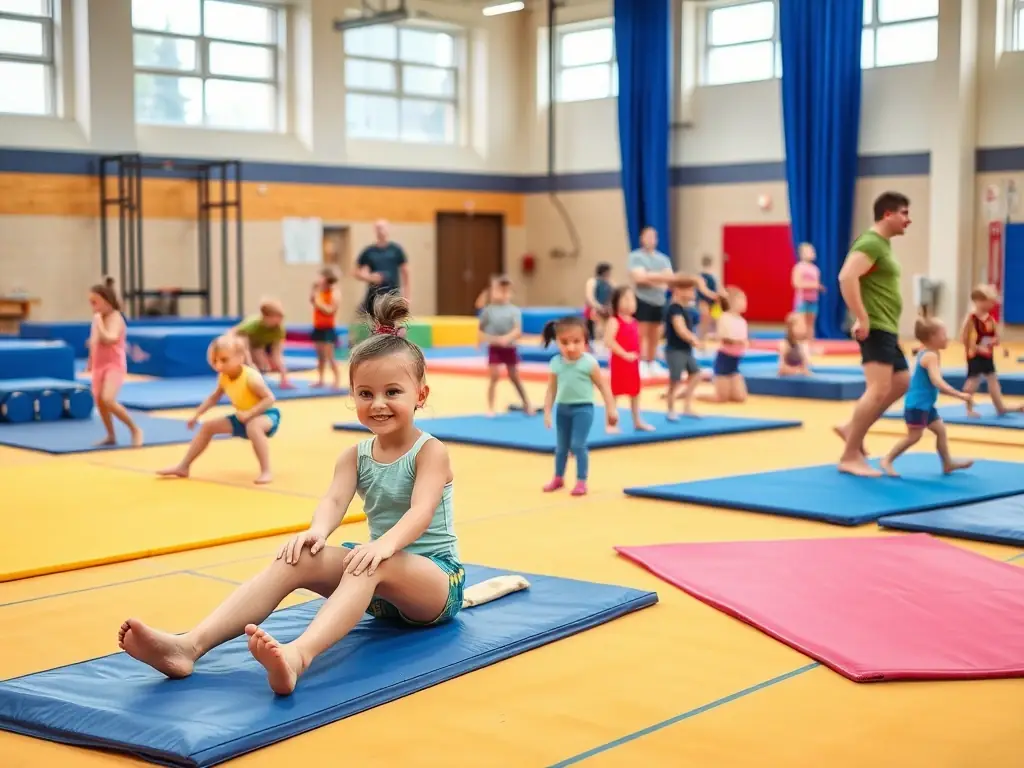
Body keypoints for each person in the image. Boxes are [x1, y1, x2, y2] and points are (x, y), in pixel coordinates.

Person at [127, 295, 463, 696]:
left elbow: (421, 512)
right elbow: (334, 502)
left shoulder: (430, 451)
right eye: (365, 394)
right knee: (299, 555)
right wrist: (317, 532)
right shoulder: (353, 456)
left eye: (393, 392)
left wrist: (384, 545)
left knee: (370, 561)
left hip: (435, 584)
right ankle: (188, 645)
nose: (378, 405)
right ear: (352, 394)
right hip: (377, 584)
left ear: (420, 396)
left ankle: (297, 656)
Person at [834, 191, 912, 478]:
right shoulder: (871, 242)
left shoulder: (883, 245)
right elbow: (846, 276)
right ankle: (849, 455)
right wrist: (862, 317)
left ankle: (850, 429)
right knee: (878, 389)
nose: (909, 219)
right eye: (904, 213)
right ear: (888, 214)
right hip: (876, 326)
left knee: (901, 382)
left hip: (886, 327)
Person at [158, 334, 280, 484]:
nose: (219, 366)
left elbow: (269, 399)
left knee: (254, 427)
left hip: (265, 415)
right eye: (215, 361)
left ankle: (266, 470)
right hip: (243, 416)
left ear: (240, 358)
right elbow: (213, 398)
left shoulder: (251, 378)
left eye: (224, 360)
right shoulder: (224, 377)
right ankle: (183, 466)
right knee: (208, 427)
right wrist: (197, 414)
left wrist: (251, 413)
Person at [880, 317, 974, 477]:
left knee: (940, 431)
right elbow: (937, 381)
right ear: (932, 338)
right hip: (917, 405)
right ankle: (887, 459)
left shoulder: (929, 351)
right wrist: (960, 395)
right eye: (943, 335)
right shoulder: (930, 356)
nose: (948, 338)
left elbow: (920, 348)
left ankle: (947, 463)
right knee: (914, 437)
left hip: (926, 405)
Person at [541, 316, 619, 496]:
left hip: (583, 409)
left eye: (576, 342)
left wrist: (611, 408)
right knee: (561, 447)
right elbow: (551, 390)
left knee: (578, 444)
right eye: (564, 342)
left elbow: (603, 387)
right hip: (562, 409)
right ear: (557, 342)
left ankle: (581, 481)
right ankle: (558, 477)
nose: (571, 347)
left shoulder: (589, 363)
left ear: (585, 341)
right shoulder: (555, 363)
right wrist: (547, 412)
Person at [87, 277, 143, 447]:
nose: (92, 306)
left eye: (95, 302)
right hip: (99, 365)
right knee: (99, 400)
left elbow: (110, 338)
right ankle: (111, 435)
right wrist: (90, 362)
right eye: (91, 302)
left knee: (108, 399)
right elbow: (94, 342)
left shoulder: (115, 317)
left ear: (106, 301)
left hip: (114, 365)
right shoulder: (98, 318)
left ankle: (135, 429)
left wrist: (99, 324)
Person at [960, 284, 1023, 418]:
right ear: (979, 301)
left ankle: (1000, 407)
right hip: (975, 355)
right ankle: (968, 408)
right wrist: (976, 348)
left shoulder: (990, 319)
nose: (993, 305)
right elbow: (964, 338)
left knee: (993, 381)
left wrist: (995, 341)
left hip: (987, 355)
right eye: (990, 302)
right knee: (972, 383)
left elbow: (996, 336)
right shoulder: (971, 318)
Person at [478, 275, 532, 416]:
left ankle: (527, 403)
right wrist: (483, 340)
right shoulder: (488, 310)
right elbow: (480, 328)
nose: (502, 294)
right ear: (493, 291)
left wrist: (506, 339)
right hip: (494, 347)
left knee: (514, 376)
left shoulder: (513, 310)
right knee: (494, 376)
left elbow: (518, 330)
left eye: (506, 291)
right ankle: (490, 407)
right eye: (499, 290)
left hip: (509, 347)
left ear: (510, 293)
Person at [603, 286, 654, 431]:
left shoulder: (634, 321)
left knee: (635, 392)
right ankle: (610, 423)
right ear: (616, 302)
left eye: (632, 299)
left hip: (633, 363)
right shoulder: (615, 321)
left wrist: (641, 354)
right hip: (620, 362)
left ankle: (637, 420)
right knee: (615, 394)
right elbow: (609, 341)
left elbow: (636, 340)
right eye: (625, 299)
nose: (629, 303)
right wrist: (624, 354)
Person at [627, 227, 675, 378]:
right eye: (647, 237)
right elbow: (639, 278)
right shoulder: (635, 257)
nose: (650, 240)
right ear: (641, 238)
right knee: (642, 332)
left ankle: (651, 361)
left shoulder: (663, 259)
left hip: (659, 300)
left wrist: (650, 276)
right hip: (642, 298)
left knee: (655, 333)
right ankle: (640, 362)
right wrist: (659, 277)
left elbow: (670, 279)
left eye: (653, 237)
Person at [698, 287, 749, 404]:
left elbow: (743, 340)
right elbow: (723, 338)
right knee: (721, 399)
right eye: (742, 300)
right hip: (724, 361)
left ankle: (725, 386)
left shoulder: (742, 321)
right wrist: (738, 342)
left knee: (740, 397)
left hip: (734, 363)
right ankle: (696, 394)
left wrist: (743, 342)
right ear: (731, 302)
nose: (745, 303)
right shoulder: (725, 317)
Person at [231, 299, 294, 390]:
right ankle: (247, 378)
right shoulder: (253, 324)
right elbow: (233, 332)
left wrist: (284, 378)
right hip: (244, 342)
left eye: (281, 317)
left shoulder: (279, 329)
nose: (279, 321)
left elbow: (277, 354)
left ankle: (254, 377)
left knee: (264, 366)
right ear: (265, 317)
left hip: (258, 345)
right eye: (276, 317)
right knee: (245, 347)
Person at [663, 277, 703, 419]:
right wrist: (693, 339)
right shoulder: (675, 309)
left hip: (685, 350)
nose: (694, 293)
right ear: (678, 291)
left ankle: (687, 406)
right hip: (675, 350)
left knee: (696, 374)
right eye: (691, 290)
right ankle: (671, 408)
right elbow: (680, 329)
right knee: (675, 380)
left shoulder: (686, 309)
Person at [354, 219, 409, 314]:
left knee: (391, 321)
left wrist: (407, 296)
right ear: (375, 230)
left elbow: (406, 273)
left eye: (383, 227)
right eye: (378, 228)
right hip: (374, 295)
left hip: (392, 294)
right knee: (370, 321)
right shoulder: (369, 251)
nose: (381, 230)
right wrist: (369, 277)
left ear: (388, 229)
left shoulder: (396, 250)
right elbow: (357, 272)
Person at [310, 267, 341, 389]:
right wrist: (314, 290)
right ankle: (320, 379)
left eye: (321, 277)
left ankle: (337, 379)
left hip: (328, 328)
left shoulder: (334, 292)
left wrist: (317, 301)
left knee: (330, 356)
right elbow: (312, 300)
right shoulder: (320, 291)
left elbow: (330, 310)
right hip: (318, 326)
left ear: (327, 279)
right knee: (320, 356)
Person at [791, 243, 824, 340]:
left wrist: (818, 287)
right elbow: (796, 283)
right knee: (801, 324)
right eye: (809, 251)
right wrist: (813, 285)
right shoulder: (799, 267)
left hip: (813, 299)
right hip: (802, 299)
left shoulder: (815, 269)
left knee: (810, 324)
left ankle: (810, 345)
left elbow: (817, 283)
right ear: (802, 254)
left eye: (813, 251)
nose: (812, 253)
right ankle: (799, 344)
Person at [584, 262, 614, 351]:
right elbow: (589, 297)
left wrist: (609, 308)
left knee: (606, 330)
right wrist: (598, 307)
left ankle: (604, 347)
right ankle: (594, 347)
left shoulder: (609, 283)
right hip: (595, 310)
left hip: (607, 310)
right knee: (596, 330)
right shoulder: (592, 281)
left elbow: (613, 297)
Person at [778, 312, 811, 376]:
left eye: (804, 325)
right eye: (799, 326)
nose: (803, 328)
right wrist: (797, 371)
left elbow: (806, 366)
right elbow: (781, 368)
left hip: (800, 376)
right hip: (787, 377)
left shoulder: (804, 345)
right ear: (791, 328)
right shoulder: (785, 344)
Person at [697, 255, 719, 341]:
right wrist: (714, 295)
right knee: (705, 319)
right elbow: (703, 290)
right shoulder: (702, 276)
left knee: (716, 319)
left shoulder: (713, 275)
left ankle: (714, 336)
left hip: (713, 301)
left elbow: (717, 288)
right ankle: (702, 337)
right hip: (704, 300)